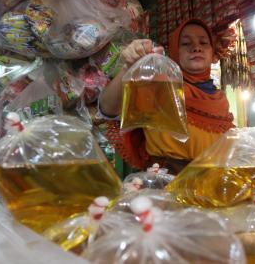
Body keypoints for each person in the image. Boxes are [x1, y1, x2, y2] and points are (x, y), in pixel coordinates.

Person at [98, 18, 235, 175]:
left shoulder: (220, 99)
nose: (196, 48)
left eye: (204, 43)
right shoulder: (160, 85)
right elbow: (107, 109)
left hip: (212, 189)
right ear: (175, 51)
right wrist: (129, 66)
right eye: (185, 43)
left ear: (212, 53)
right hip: (166, 188)